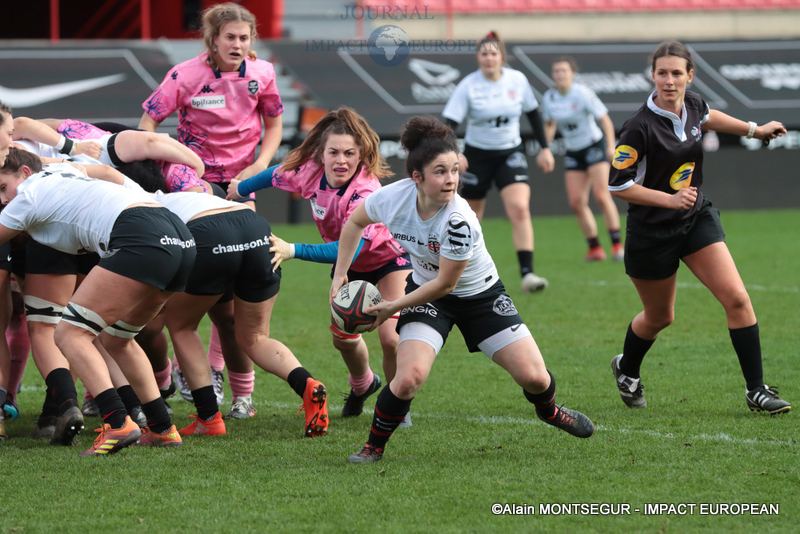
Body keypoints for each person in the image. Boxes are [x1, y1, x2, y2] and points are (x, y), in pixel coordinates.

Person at [332, 116, 594, 464]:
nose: (451, 179)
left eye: (455, 170)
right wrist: (340, 274)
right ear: (417, 177)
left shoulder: (459, 220)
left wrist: (392, 306)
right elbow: (354, 223)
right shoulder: (392, 198)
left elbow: (446, 283)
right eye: (440, 171)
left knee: (534, 377)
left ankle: (550, 411)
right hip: (428, 298)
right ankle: (372, 447)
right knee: (409, 378)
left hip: (480, 298)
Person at [608, 41, 790, 414]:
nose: (669, 80)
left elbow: (709, 116)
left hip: (694, 219)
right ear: (652, 75)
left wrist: (755, 130)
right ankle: (627, 369)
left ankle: (756, 390)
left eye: (677, 73)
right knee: (660, 317)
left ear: (690, 76)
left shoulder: (693, 104)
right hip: (651, 232)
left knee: (737, 298)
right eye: (662, 73)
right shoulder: (638, 126)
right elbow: (618, 185)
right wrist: (669, 200)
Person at [139, 3, 285, 412]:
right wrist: (161, 163)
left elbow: (274, 124)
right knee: (192, 274)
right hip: (192, 182)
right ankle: (176, 369)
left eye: (244, 37)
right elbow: (148, 123)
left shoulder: (263, 73)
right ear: (213, 39)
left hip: (241, 184)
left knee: (234, 288)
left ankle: (224, 378)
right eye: (230, 37)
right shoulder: (183, 75)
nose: (238, 44)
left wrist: (259, 166)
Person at [0, 148, 195, 454]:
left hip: (140, 235)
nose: (2, 199)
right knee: (118, 339)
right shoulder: (64, 172)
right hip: (178, 234)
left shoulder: (27, 195)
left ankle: (117, 423)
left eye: (2, 187)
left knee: (68, 333)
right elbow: (100, 171)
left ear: (25, 173)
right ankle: (162, 428)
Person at [228, 107, 412, 422]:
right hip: (348, 266)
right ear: (321, 154)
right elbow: (274, 174)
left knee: (391, 339)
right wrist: (240, 189)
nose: (341, 160)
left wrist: (293, 249)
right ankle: (363, 384)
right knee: (344, 339)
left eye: (349, 153)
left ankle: (396, 408)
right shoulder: (310, 173)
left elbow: (350, 247)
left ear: (361, 155)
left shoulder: (366, 191)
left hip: (388, 259)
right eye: (334, 152)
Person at [115, 172, 329, 438]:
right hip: (254, 226)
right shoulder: (176, 196)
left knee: (182, 327)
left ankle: (209, 418)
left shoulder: (135, 207)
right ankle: (307, 384)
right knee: (256, 338)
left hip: (209, 233)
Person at [442, 31, 553, 293]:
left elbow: (533, 114)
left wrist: (545, 148)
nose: (489, 58)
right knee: (470, 218)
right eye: (484, 53)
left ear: (502, 57)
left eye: (493, 53)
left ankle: (527, 274)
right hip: (477, 157)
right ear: (477, 57)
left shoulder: (517, 80)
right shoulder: (468, 85)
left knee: (520, 208)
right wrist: (455, 152)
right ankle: (462, 273)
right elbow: (449, 124)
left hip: (509, 153)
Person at [542, 57, 623, 262]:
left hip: (593, 145)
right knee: (576, 202)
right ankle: (595, 248)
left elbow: (605, 119)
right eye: (557, 71)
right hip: (573, 151)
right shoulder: (549, 98)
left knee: (601, 196)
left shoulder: (582, 93)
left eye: (564, 70)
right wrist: (546, 149)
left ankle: (617, 245)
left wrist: (611, 146)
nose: (560, 74)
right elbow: (550, 124)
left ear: (572, 74)